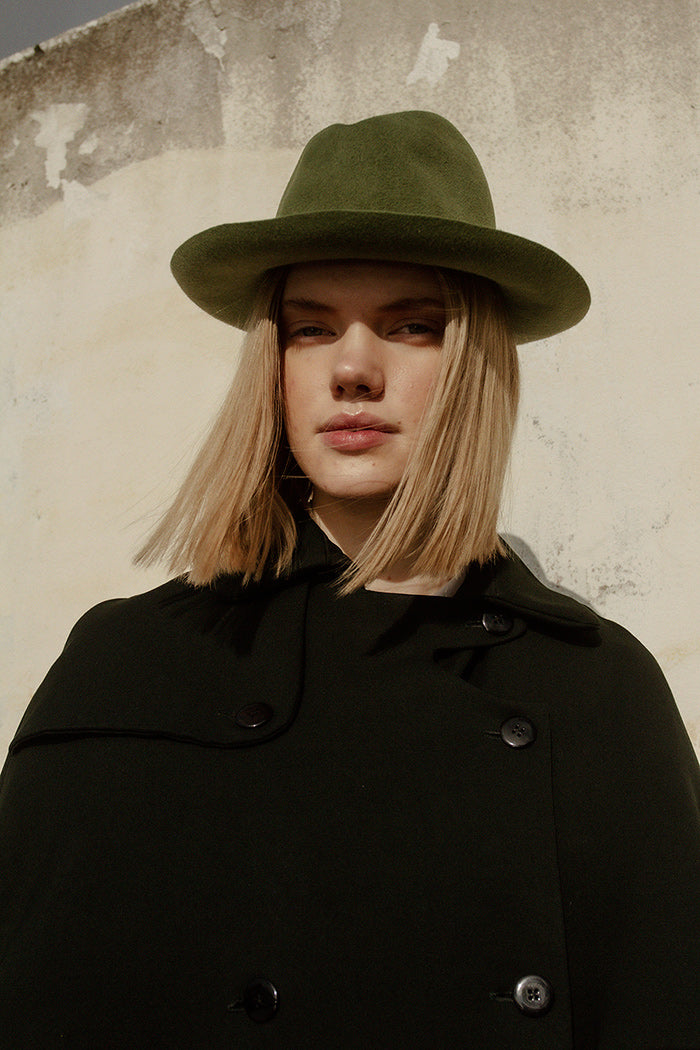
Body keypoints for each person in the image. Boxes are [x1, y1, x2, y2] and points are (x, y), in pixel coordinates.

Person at [0, 111, 698, 1050]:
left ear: (475, 363)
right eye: (310, 329)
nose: (354, 370)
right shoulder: (131, 662)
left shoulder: (597, 688)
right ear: (272, 364)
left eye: (413, 326)